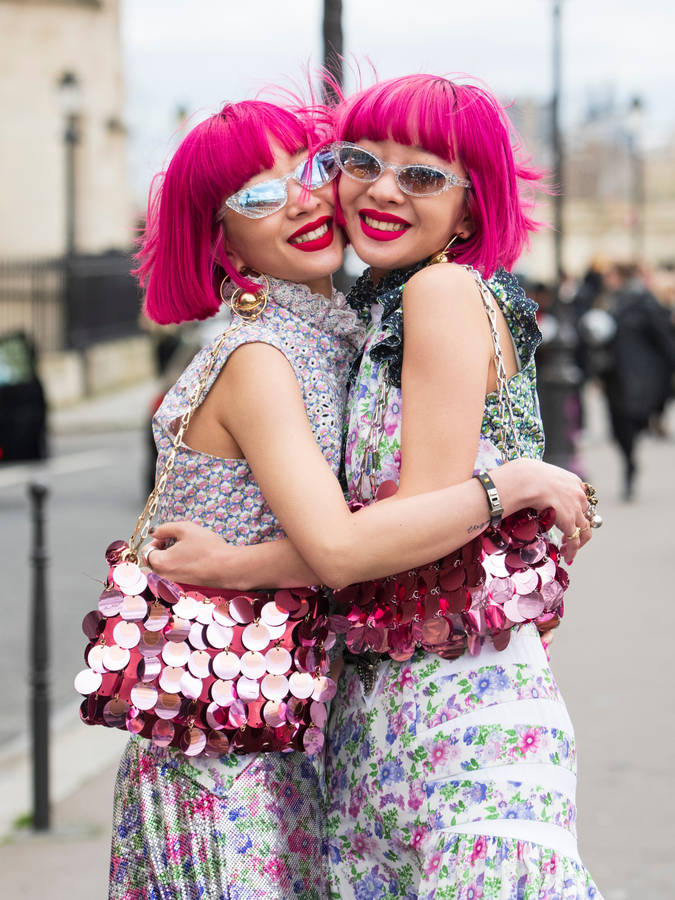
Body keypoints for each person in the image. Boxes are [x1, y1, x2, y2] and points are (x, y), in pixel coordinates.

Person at [113, 95, 590, 900]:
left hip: (340, 717)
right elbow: (353, 545)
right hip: (237, 736)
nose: (304, 196)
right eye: (257, 194)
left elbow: (419, 527)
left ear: (472, 199)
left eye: (310, 168)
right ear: (219, 236)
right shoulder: (270, 350)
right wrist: (514, 483)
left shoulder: (384, 315)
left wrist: (522, 481)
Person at [602, 262, 675, 499]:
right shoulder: (611, 303)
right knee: (619, 428)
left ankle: (630, 463)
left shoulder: (645, 304)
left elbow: (664, 340)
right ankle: (630, 459)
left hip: (640, 377)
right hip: (615, 375)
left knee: (633, 420)